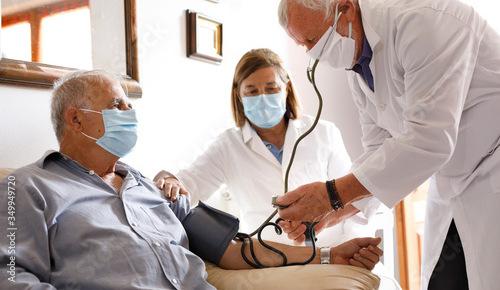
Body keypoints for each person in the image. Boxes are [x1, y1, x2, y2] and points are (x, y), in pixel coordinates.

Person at [0, 70, 383, 289]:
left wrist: (331, 254)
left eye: (130, 105)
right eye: (117, 105)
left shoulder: (151, 188)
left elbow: (236, 251)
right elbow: (12, 275)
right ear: (75, 119)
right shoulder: (25, 188)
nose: (129, 113)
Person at [275, 0, 500, 290]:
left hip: (492, 174)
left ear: (345, 9)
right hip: (452, 185)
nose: (312, 54)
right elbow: (378, 154)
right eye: (303, 46)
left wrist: (329, 196)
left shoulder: (425, 24)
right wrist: (331, 213)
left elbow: (429, 140)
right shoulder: (360, 67)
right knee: (444, 282)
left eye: (313, 40)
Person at [155, 48, 380, 248]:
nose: (262, 98)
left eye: (271, 89)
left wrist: (354, 246)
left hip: (332, 251)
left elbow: (351, 197)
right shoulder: (227, 146)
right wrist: (169, 179)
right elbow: (188, 185)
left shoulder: (323, 133)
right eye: (252, 91)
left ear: (287, 89)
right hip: (270, 259)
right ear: (238, 95)